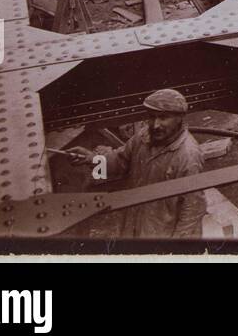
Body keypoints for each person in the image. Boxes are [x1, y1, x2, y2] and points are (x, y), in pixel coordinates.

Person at [65, 88, 206, 239]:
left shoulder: (188, 156)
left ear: (180, 118)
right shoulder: (143, 136)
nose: (155, 125)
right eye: (152, 117)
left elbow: (192, 209)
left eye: (163, 117)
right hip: (134, 223)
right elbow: (120, 161)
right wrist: (91, 159)